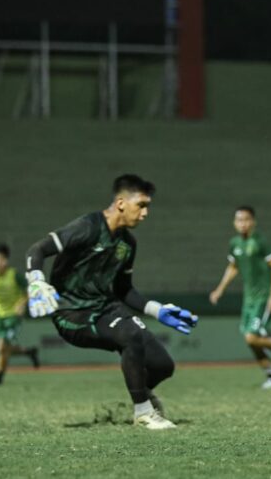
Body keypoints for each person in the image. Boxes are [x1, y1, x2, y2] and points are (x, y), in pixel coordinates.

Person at [25, 174, 198, 430]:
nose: (145, 213)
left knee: (162, 365)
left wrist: (157, 310)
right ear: (120, 203)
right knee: (130, 334)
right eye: (141, 205)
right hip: (73, 314)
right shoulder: (88, 226)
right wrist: (36, 281)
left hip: (106, 308)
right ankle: (142, 412)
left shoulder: (128, 244)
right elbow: (37, 250)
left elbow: (123, 289)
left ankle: (141, 394)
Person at [209, 206, 271, 389]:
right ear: (234, 223)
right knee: (250, 340)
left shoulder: (260, 241)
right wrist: (219, 290)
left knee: (251, 337)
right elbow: (233, 267)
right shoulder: (235, 243)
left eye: (246, 219)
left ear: (253, 222)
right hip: (248, 300)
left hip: (262, 297)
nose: (242, 223)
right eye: (239, 220)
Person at [0, 243, 40, 385]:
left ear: (6, 260)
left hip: (14, 316)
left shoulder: (14, 275)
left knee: (1, 346)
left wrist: (21, 304)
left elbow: (29, 291)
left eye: (0, 259)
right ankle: (28, 352)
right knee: (5, 348)